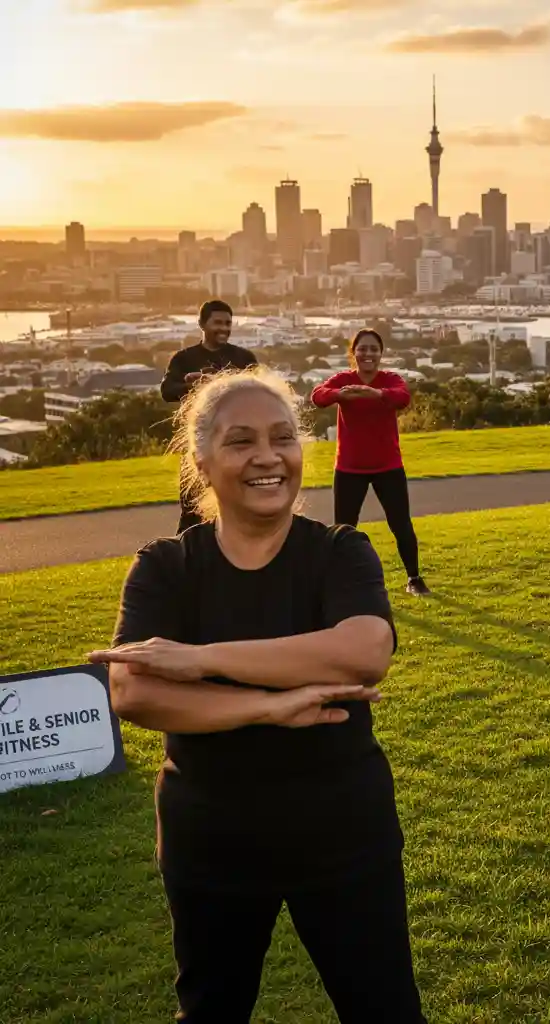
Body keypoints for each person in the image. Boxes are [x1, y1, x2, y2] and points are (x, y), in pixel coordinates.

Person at [89, 368, 427, 1023]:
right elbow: (133, 690)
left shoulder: (339, 552)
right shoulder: (165, 566)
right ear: (202, 462)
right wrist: (267, 706)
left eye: (282, 438)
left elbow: (363, 652)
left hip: (343, 832)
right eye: (241, 442)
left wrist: (199, 660)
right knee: (212, 1010)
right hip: (211, 838)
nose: (268, 457)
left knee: (383, 1008)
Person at [311, 329, 429, 596]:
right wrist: (341, 394)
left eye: (373, 349)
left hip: (387, 466)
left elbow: (403, 397)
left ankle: (414, 578)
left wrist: (374, 394)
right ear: (354, 353)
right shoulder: (344, 380)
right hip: (349, 467)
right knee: (344, 528)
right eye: (362, 349)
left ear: (380, 353)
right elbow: (318, 396)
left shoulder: (390, 379)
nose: (368, 354)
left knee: (401, 525)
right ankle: (339, 581)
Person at [160, 300, 257, 534]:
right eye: (217, 323)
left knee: (240, 503)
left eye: (228, 323)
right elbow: (167, 391)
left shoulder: (243, 358)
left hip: (237, 442)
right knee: (192, 509)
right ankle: (184, 561)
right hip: (198, 443)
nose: (224, 328)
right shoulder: (184, 359)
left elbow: (258, 393)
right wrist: (189, 383)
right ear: (202, 324)